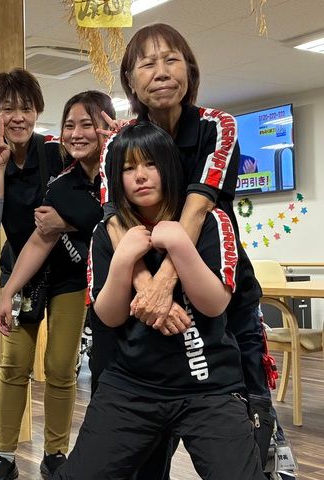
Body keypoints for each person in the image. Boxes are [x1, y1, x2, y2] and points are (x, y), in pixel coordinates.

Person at [96, 23, 280, 478]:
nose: (161, 72)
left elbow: (197, 209)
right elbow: (114, 219)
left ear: (190, 69)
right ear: (130, 80)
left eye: (171, 60)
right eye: (147, 64)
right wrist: (147, 291)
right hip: (143, 310)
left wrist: (164, 282)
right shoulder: (120, 140)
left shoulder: (218, 126)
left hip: (217, 289)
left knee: (248, 425)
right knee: (139, 448)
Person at [55, 121, 266, 480]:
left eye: (150, 164)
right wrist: (124, 259)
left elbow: (215, 304)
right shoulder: (107, 232)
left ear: (169, 167)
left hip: (209, 385)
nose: (140, 176)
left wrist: (180, 244)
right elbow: (109, 316)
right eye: (128, 168)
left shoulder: (212, 221)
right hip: (132, 385)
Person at [0, 87, 115, 480]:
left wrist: (66, 222)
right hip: (23, 271)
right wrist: (6, 292)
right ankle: (4, 456)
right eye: (8, 109)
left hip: (70, 273)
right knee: (13, 364)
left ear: (38, 111)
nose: (18, 117)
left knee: (60, 366)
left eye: (26, 108)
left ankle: (55, 453)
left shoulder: (59, 153)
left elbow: (97, 210)